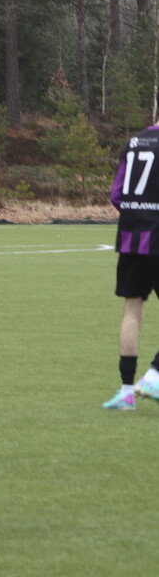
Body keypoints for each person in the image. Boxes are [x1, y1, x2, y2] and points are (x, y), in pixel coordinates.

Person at [103, 116, 159, 409]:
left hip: (131, 238)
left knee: (132, 311)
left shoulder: (134, 142)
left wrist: (138, 214)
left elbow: (116, 195)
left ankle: (126, 392)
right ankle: (154, 374)